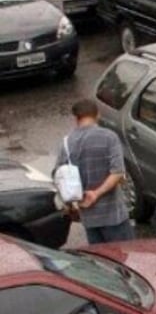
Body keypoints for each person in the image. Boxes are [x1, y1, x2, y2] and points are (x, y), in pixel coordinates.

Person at [53, 99, 133, 245]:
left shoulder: (67, 143)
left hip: (89, 217)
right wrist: (96, 193)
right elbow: (118, 172)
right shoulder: (109, 137)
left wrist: (71, 206)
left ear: (76, 118)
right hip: (113, 215)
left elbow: (59, 177)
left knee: (102, 260)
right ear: (97, 115)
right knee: (125, 258)